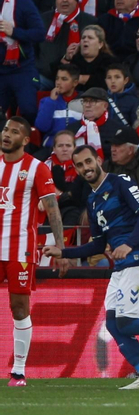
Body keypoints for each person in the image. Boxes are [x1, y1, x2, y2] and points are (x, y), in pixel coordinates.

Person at [43, 143, 139, 389]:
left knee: (127, 322)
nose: (86, 168)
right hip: (121, 265)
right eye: (80, 165)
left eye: (89, 161)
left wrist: (129, 244)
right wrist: (63, 252)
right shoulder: (92, 200)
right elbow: (99, 244)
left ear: (98, 160)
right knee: (113, 323)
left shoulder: (121, 182)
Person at [1, 115, 68, 385]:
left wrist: (62, 248)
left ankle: (18, 370)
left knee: (19, 307)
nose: (7, 134)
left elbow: (52, 209)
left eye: (14, 132)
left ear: (26, 140)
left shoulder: (37, 168)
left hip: (20, 249)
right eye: (6, 130)